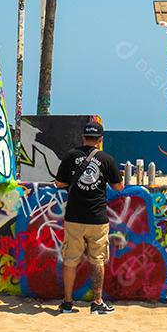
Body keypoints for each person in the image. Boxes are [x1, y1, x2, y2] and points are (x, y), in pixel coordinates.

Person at [54, 120, 124, 315]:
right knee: (97, 259)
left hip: (74, 217)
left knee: (70, 260)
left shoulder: (70, 156)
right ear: (100, 140)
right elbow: (119, 187)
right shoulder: (106, 159)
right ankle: (97, 303)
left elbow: (59, 183)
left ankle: (67, 303)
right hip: (97, 218)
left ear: (83, 137)